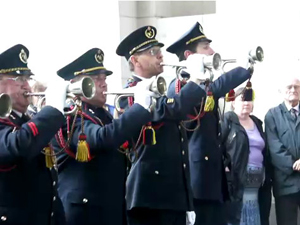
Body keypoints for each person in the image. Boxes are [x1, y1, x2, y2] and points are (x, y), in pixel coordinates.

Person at [116, 25, 209, 225]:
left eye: (159, 51)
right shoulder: (129, 95)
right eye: (153, 52)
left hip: (172, 196)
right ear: (135, 60)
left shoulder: (162, 91)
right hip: (150, 196)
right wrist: (195, 81)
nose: (160, 56)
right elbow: (168, 111)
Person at [51, 48, 155, 225]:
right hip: (85, 211)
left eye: (104, 78)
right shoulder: (71, 115)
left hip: (108, 207)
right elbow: (101, 138)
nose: (103, 83)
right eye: (95, 79)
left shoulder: (102, 113)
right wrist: (138, 108)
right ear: (76, 84)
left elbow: (120, 142)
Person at [166, 22, 253, 225]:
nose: (212, 51)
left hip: (212, 178)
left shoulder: (204, 85)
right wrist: (241, 69)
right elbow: (210, 91)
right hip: (198, 180)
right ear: (189, 56)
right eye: (205, 47)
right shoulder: (179, 84)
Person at [0, 44, 67, 224]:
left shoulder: (25, 119)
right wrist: (52, 110)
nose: (27, 86)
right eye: (18, 78)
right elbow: (20, 145)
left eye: (27, 78)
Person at [222, 87, 272, 225]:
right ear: (233, 102)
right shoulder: (228, 120)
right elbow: (217, 146)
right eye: (242, 99)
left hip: (256, 186)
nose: (246, 103)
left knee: (254, 218)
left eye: (249, 100)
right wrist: (224, 166)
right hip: (237, 183)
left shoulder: (257, 122)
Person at [265, 75, 300, 225]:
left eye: (296, 87)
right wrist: (293, 164)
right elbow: (274, 147)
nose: (293, 90)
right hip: (285, 184)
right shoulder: (272, 115)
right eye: (289, 87)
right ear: (281, 91)